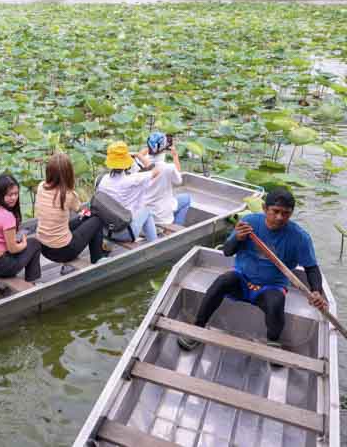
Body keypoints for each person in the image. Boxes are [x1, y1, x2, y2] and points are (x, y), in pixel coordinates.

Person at [178, 188, 327, 353]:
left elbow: (311, 268)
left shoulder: (300, 237)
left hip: (270, 287)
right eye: (275, 211)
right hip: (241, 279)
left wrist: (316, 291)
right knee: (222, 281)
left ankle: (273, 343)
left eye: (286, 213)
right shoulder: (249, 223)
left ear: (291, 214)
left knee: (276, 302)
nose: (279, 217)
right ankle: (198, 327)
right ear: (264, 208)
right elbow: (227, 251)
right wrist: (238, 238)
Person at [35, 153, 105, 268]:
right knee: (97, 220)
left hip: (43, 247)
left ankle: (96, 256)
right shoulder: (68, 194)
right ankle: (97, 258)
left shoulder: (41, 186)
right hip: (64, 251)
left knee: (83, 219)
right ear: (68, 173)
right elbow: (81, 210)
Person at [0, 174, 42, 282]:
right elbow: (12, 249)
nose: (13, 198)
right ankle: (32, 281)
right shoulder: (8, 217)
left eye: (16, 194)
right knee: (35, 244)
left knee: (19, 241)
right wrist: (23, 244)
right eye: (9, 195)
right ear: (0, 194)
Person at [97, 141, 160, 243]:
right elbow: (156, 171)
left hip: (105, 230)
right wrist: (139, 156)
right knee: (147, 210)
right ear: (126, 161)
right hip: (126, 233)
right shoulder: (133, 179)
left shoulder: (100, 179)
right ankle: (154, 244)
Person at [136, 132, 192, 226]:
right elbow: (178, 180)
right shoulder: (168, 167)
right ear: (164, 148)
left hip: (142, 214)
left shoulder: (139, 163)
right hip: (161, 216)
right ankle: (174, 228)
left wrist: (153, 146)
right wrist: (175, 156)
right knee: (187, 198)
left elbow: (140, 155)